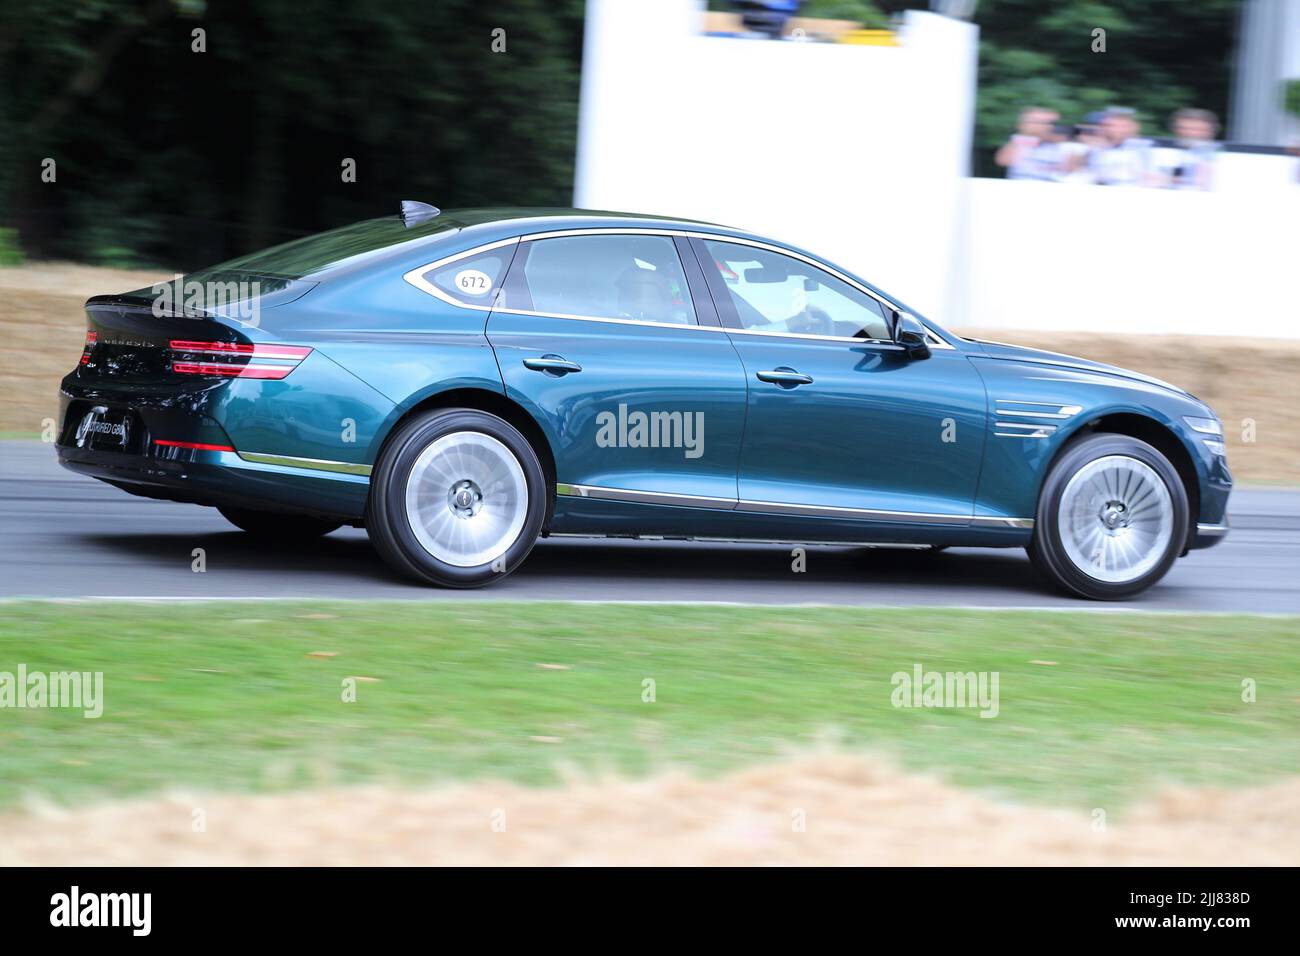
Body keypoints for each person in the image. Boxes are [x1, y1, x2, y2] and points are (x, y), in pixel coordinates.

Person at [1087, 107, 1155, 186]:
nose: (1108, 129)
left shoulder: (1145, 148)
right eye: (1106, 125)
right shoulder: (1095, 149)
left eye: (1115, 126)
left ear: (1130, 127)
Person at [995, 107, 1064, 181]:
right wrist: (1025, 134)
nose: (1040, 126)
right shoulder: (1020, 141)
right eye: (1034, 121)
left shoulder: (1061, 144)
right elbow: (1003, 161)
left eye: (1046, 122)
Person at [1160, 108, 1220, 190]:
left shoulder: (1224, 157)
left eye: (1196, 129)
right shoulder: (1162, 153)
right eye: (1183, 128)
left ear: (1210, 132)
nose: (1189, 133)